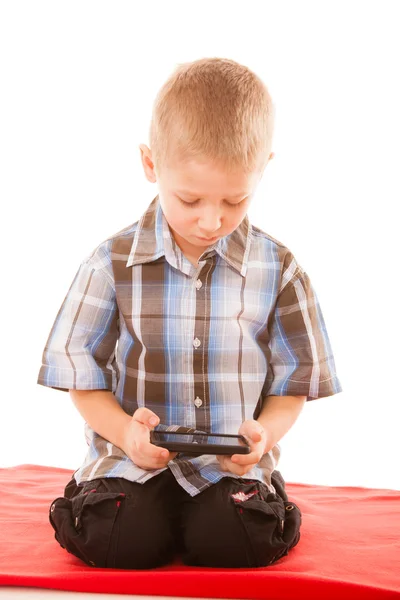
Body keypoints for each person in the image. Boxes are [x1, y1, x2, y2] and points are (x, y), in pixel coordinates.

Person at [37, 57, 342, 570]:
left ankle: (254, 501)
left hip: (227, 467)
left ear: (263, 168)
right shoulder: (111, 264)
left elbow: (292, 385)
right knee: (119, 542)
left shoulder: (279, 268)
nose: (211, 219)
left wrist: (264, 436)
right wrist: (125, 433)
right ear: (151, 163)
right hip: (130, 458)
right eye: (190, 198)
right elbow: (80, 376)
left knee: (234, 543)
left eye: (234, 200)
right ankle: (94, 494)